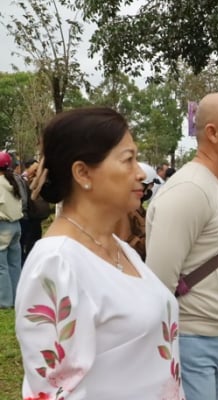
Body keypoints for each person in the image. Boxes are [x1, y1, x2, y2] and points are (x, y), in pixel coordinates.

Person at [15, 107, 185, 398]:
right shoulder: (57, 263)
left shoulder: (120, 249)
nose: (140, 174)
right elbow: (54, 389)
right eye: (128, 160)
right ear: (82, 173)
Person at [146, 93, 218, 400]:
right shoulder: (190, 190)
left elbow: (201, 264)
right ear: (212, 133)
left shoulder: (216, 188)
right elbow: (159, 285)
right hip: (190, 341)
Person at [115, 162, 160, 260]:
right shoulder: (125, 210)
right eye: (149, 186)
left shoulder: (137, 208)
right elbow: (126, 244)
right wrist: (155, 239)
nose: (150, 190)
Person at [0, 151, 23, 308]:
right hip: (16, 225)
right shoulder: (15, 180)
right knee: (15, 263)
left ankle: (4, 302)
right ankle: (17, 298)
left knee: (2, 266)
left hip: (3, 226)